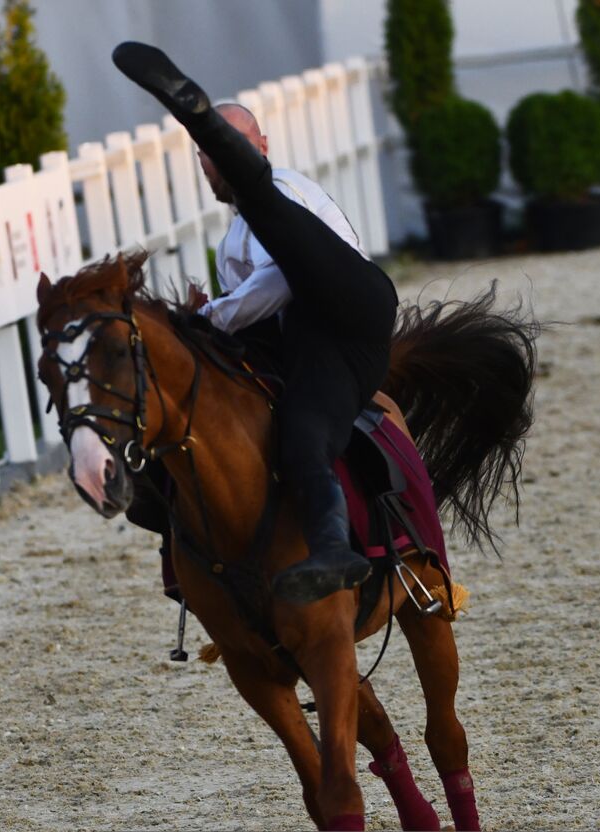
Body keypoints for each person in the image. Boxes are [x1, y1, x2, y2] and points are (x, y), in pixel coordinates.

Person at [112, 42, 399, 604]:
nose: (215, 163)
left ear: (262, 146)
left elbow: (279, 283)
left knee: (265, 201)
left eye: (229, 146)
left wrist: (210, 317)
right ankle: (331, 549)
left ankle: (196, 114)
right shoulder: (230, 242)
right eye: (208, 152)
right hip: (318, 349)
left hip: (350, 303)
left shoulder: (285, 187)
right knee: (303, 436)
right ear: (202, 165)